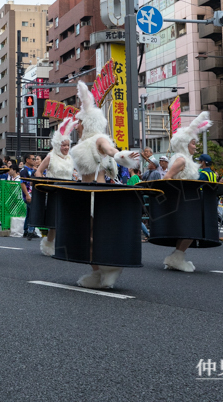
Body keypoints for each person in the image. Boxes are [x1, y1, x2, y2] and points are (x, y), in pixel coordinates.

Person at [69, 80, 140, 289]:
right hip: (84, 193)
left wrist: (121, 155)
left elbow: (111, 150)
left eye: (80, 121)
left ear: (88, 122)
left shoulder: (98, 139)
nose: (77, 125)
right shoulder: (82, 143)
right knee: (85, 235)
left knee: (93, 234)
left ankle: (109, 267)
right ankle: (99, 272)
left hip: (97, 195)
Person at [160, 113, 214, 272]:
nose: (195, 146)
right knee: (191, 230)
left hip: (188, 199)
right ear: (184, 144)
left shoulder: (186, 159)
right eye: (192, 143)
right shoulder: (181, 160)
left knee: (187, 231)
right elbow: (167, 178)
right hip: (183, 200)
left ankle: (176, 258)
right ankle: (176, 258)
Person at [35, 117, 78, 256]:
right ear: (57, 145)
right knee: (54, 222)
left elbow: (75, 174)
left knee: (67, 219)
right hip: (54, 192)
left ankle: (64, 245)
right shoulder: (51, 156)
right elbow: (38, 171)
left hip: (68, 191)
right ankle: (49, 244)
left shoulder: (71, 158)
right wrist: (45, 185)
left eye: (67, 145)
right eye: (63, 145)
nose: (66, 148)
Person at [20, 153, 38, 240]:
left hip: (32, 194)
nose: (34, 160)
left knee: (29, 212)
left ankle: (26, 230)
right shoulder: (24, 170)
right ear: (27, 160)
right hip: (29, 195)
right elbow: (22, 183)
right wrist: (27, 195)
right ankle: (31, 231)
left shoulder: (32, 170)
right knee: (33, 212)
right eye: (33, 159)